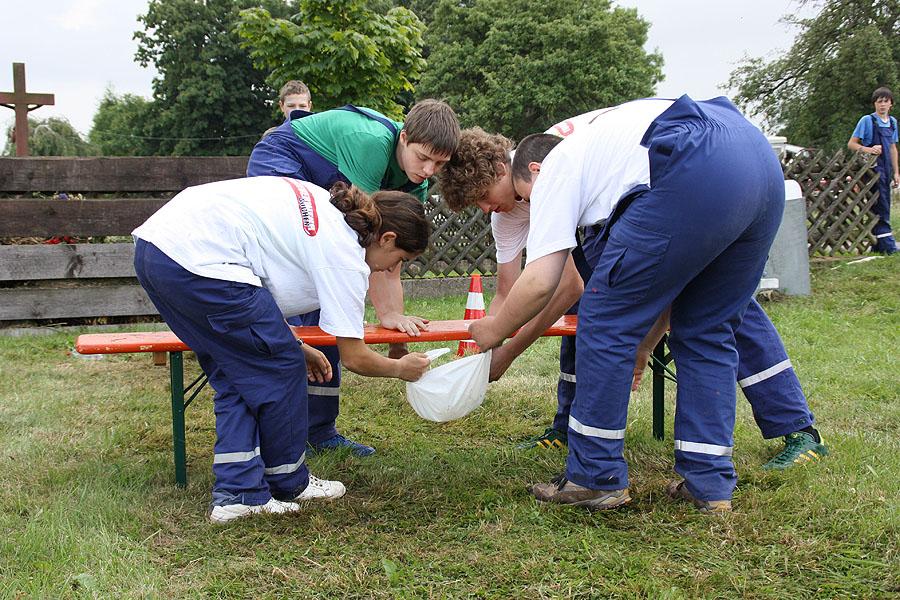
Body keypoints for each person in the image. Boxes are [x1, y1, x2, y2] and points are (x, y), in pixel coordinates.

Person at [437, 120, 826, 471]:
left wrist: (509, 350)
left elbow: (561, 284)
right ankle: (571, 426)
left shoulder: (550, 158)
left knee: (723, 308)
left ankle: (796, 427)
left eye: (484, 196)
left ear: (505, 169)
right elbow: (515, 291)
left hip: (661, 190)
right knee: (588, 305)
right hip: (619, 216)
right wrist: (488, 352)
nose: (487, 208)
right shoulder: (506, 212)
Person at [132, 176, 432, 523]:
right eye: (399, 258)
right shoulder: (345, 254)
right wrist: (400, 369)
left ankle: (239, 492)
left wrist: (296, 342)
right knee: (281, 369)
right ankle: (285, 482)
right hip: (202, 261)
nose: (391, 268)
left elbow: (262, 273)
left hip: (158, 251)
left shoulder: (329, 209)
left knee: (238, 372)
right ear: (387, 238)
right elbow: (354, 357)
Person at [247, 100, 460, 456]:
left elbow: (391, 255)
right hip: (285, 160)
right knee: (315, 291)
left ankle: (320, 431)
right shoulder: (372, 143)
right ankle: (284, 430)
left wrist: (393, 321)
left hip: (326, 183)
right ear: (404, 138)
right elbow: (366, 237)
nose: (429, 169)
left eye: (440, 164)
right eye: (423, 157)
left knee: (334, 312)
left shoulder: (416, 184)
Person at [848, 86, 899, 254]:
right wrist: (869, 150)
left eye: (886, 101)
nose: (882, 105)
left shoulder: (892, 122)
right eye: (879, 102)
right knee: (878, 206)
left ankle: (879, 243)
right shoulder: (867, 121)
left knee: (885, 205)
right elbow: (852, 144)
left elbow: (892, 148)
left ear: (891, 104)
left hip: (887, 170)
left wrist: (896, 172)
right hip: (871, 170)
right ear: (874, 104)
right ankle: (887, 245)